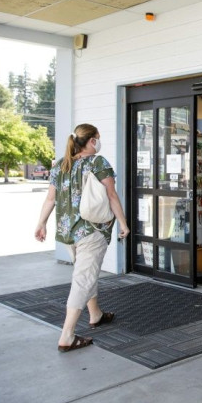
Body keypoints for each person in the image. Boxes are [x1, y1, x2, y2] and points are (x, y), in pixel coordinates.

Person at [35, 124, 130, 352]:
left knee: (85, 272)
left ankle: (95, 313)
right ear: (91, 141)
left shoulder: (61, 164)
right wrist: (123, 224)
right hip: (91, 230)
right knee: (83, 279)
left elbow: (50, 199)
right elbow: (111, 195)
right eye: (97, 137)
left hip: (68, 232)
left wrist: (41, 223)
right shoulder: (98, 162)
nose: (99, 141)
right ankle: (67, 335)